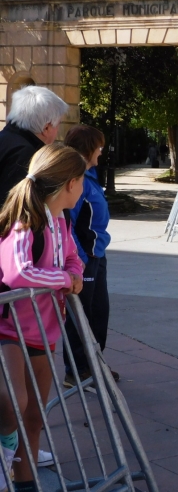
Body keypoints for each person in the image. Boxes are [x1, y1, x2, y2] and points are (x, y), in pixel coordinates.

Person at [0, 144, 85, 492]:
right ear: (69, 183)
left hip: (45, 330)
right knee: (13, 404)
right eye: (82, 180)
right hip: (10, 328)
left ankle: (26, 482)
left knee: (34, 416)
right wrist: (66, 281)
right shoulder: (25, 222)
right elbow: (20, 274)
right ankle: (5, 457)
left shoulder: (60, 220)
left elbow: (73, 258)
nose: (83, 188)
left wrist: (73, 271)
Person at [62, 125, 120, 388]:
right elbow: (67, 223)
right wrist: (78, 257)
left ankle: (94, 362)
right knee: (80, 315)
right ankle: (77, 370)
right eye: (99, 145)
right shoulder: (75, 179)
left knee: (98, 312)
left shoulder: (91, 176)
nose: (102, 150)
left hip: (97, 254)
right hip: (85, 257)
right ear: (88, 149)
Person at [0, 86, 68, 205]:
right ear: (46, 128)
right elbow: (13, 208)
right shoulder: (27, 155)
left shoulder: (5, 139)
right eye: (58, 124)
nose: (58, 130)